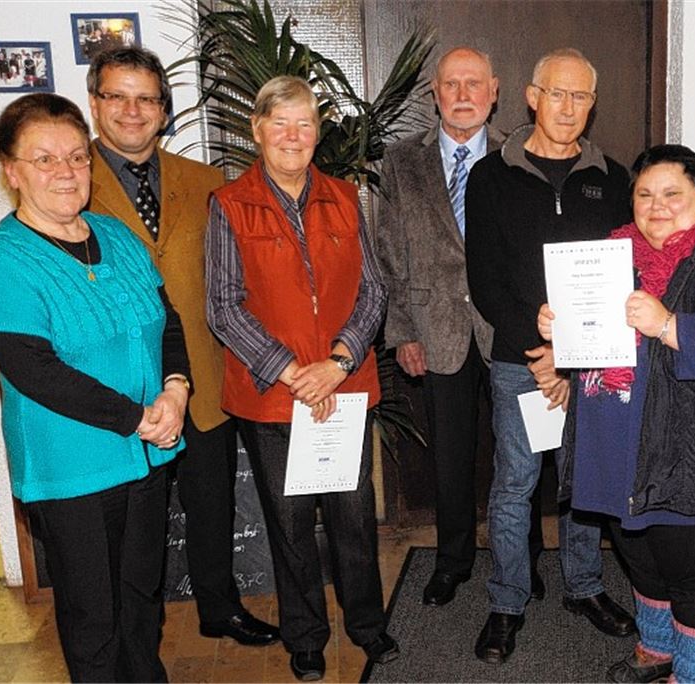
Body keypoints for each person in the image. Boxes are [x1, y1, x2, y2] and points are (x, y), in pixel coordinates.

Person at [539, 144, 695, 683]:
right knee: (640, 557)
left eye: (673, 194)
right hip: (618, 448)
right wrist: (560, 325)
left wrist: (668, 324)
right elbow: (593, 344)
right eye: (645, 195)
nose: (657, 206)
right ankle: (656, 650)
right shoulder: (611, 257)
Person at [0, 93, 189, 682]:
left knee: (142, 596)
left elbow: (165, 318)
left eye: (76, 156)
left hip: (145, 454)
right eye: (43, 160)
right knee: (93, 612)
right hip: (70, 469)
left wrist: (176, 388)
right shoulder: (2, 260)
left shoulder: (115, 234)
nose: (65, 172)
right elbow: (33, 369)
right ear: (11, 171)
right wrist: (137, 416)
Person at [84, 45, 279, 648]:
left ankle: (219, 608)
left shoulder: (205, 181)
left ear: (165, 111)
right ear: (95, 104)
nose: (132, 111)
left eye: (146, 98)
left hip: (203, 377)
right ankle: (128, 631)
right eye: (117, 96)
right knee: (125, 522)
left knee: (212, 506)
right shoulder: (70, 179)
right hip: (117, 388)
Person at [205, 75, 395, 682]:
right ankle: (305, 636)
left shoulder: (345, 196)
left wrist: (336, 362)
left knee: (354, 516)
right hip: (272, 399)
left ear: (318, 133)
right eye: (279, 123)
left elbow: (374, 289)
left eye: (305, 123)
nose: (293, 136)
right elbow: (223, 306)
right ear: (257, 130)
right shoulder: (229, 204)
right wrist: (293, 372)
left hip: (343, 388)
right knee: (289, 525)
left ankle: (367, 625)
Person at [465, 47, 635, 664]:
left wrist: (572, 359)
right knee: (515, 483)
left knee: (583, 481)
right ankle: (507, 600)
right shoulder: (490, 176)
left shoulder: (614, 180)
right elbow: (484, 279)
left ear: (593, 105)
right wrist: (541, 352)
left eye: (581, 96)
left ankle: (585, 587)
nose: (568, 107)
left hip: (592, 363)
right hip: (521, 360)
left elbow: (627, 272)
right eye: (556, 94)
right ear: (532, 97)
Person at [375, 46, 547, 607]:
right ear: (436, 93)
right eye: (452, 84)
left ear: (495, 91)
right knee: (449, 456)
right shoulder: (401, 163)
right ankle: (451, 561)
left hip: (511, 331)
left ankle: (525, 559)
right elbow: (388, 252)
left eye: (475, 83)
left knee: (521, 450)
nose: (464, 95)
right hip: (434, 329)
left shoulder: (521, 156)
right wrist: (402, 332)